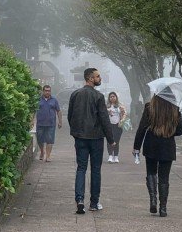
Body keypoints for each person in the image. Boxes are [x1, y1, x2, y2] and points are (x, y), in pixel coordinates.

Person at [67, 68, 115, 215]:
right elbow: (104, 119)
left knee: (81, 168)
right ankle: (94, 203)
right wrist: (111, 139)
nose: (100, 78)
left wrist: (76, 132)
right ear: (90, 78)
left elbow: (70, 116)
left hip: (80, 137)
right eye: (97, 76)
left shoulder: (75, 94)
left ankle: (79, 200)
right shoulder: (99, 96)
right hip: (96, 138)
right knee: (95, 170)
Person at [133, 95, 182, 217]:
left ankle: (153, 201)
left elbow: (142, 128)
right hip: (167, 146)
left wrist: (136, 147)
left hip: (151, 145)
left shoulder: (149, 107)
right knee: (164, 177)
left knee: (151, 173)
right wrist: (172, 127)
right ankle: (163, 208)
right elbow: (181, 130)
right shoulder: (174, 109)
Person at [35, 84, 62, 162]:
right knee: (40, 139)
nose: (47, 92)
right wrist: (31, 121)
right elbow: (33, 111)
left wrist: (60, 122)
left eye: (49, 91)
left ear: (50, 91)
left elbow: (58, 111)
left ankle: (48, 156)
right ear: (43, 91)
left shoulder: (54, 100)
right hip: (40, 123)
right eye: (46, 91)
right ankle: (42, 152)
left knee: (50, 140)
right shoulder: (38, 100)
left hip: (51, 124)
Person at [106, 92, 127, 163]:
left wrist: (122, 120)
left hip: (118, 126)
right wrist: (107, 112)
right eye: (111, 97)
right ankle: (110, 156)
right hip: (109, 126)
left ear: (116, 97)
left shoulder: (120, 106)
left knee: (116, 141)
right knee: (109, 141)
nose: (112, 98)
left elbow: (124, 114)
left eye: (113, 96)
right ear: (109, 98)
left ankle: (116, 156)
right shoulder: (106, 106)